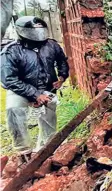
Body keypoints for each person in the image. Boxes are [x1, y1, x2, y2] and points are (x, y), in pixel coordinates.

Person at [1, 16, 69, 156]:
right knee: (13, 109)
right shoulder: (11, 51)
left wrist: (62, 76)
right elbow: (9, 80)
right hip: (20, 90)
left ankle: (47, 147)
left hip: (46, 88)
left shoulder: (52, 45)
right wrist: (35, 94)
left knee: (50, 107)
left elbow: (62, 60)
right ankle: (24, 151)